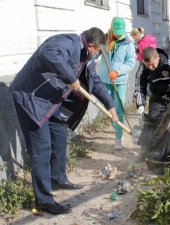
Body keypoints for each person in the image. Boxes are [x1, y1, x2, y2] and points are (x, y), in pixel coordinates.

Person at [9, 27, 118, 215]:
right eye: (98, 50)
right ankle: (43, 199)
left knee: (59, 135)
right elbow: (48, 53)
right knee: (41, 149)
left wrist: (110, 105)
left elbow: (95, 82)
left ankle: (57, 178)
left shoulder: (87, 57)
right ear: (91, 46)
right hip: (31, 97)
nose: (98, 54)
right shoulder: (68, 42)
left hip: (48, 100)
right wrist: (70, 77)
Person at [135, 47, 170, 146]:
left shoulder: (169, 63)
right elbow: (139, 88)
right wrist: (140, 105)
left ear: (157, 57)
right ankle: (153, 151)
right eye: (148, 65)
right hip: (157, 96)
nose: (150, 67)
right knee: (154, 124)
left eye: (152, 64)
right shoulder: (142, 68)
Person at [97, 17, 136, 150]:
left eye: (120, 31)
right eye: (116, 31)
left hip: (119, 81)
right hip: (104, 79)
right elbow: (96, 54)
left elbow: (131, 62)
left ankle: (118, 139)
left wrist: (118, 72)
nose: (118, 34)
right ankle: (117, 127)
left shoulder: (128, 43)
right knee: (109, 108)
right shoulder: (104, 40)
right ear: (111, 28)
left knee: (118, 109)